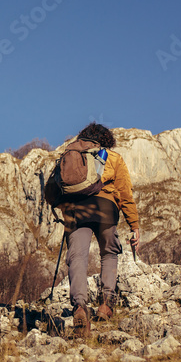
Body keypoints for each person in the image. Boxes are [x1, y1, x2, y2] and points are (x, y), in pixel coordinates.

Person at [59, 123, 139, 338]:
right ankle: (106, 304)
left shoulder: (70, 153)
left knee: (77, 257)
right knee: (109, 253)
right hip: (105, 208)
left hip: (75, 210)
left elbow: (54, 188)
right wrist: (134, 225)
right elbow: (125, 193)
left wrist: (62, 210)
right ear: (106, 140)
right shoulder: (113, 157)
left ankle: (79, 307)